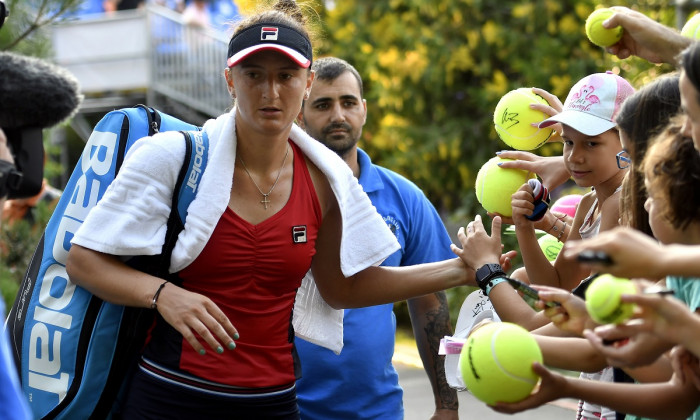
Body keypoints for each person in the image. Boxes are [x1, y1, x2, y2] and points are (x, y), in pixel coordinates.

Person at [65, 1, 477, 417]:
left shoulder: (327, 180)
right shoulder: (174, 158)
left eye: (286, 76)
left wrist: (461, 271)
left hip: (272, 402)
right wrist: (164, 295)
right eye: (253, 75)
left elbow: (341, 289)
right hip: (170, 394)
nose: (271, 92)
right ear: (230, 80)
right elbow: (82, 260)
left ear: (307, 82)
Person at [487, 126, 700, 420]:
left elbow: (592, 351)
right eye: (568, 142)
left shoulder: (622, 210)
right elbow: (678, 391)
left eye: (653, 193)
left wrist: (489, 275)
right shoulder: (675, 278)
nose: (644, 201)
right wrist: (528, 226)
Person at [295, 57, 458, 420]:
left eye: (348, 102)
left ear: (364, 110)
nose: (338, 114)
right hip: (283, 409)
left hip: (377, 411)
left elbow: (431, 305)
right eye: (322, 104)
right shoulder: (276, 194)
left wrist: (447, 406)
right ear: (299, 114)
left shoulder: (405, 198)